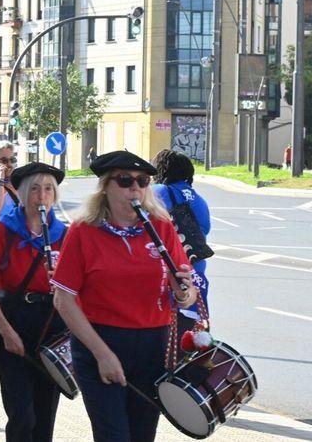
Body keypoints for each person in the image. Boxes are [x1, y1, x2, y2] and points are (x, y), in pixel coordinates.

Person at [52, 150, 196, 442]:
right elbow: (63, 300)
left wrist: (184, 293)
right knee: (113, 436)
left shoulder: (161, 226)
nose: (136, 189)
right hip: (100, 342)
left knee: (142, 435)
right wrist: (102, 354)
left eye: (143, 182)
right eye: (126, 181)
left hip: (153, 345)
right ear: (106, 186)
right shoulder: (83, 231)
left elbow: (187, 294)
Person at [0, 162, 68, 442]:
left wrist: (62, 280)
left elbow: (81, 290)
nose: (42, 197)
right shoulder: (4, 232)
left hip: (51, 325)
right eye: (35, 190)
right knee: (21, 414)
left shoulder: (64, 235)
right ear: (24, 194)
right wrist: (6, 332)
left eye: (49, 190)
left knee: (45, 415)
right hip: (14, 322)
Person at [151, 149, 211, 323]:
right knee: (187, 340)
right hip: (196, 274)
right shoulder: (200, 200)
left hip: (170, 274)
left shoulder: (159, 191)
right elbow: (204, 231)